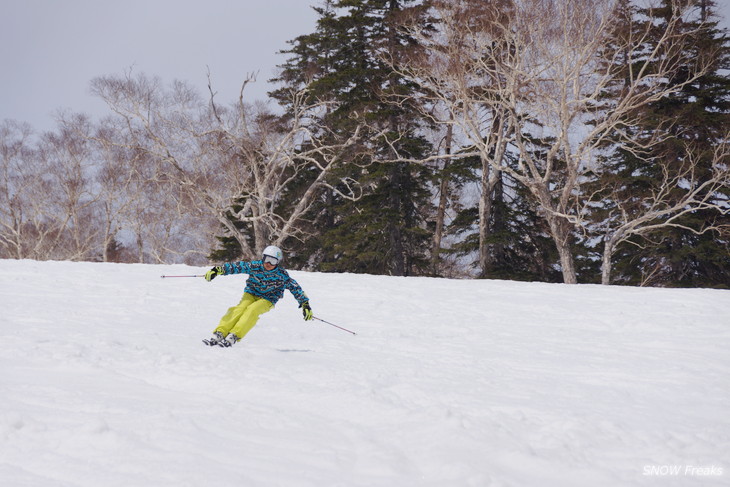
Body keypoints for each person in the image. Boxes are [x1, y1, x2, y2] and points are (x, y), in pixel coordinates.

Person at [202, 245, 313, 347]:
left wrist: (305, 304)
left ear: (277, 262)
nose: (268, 263)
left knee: (252, 310)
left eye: (272, 261)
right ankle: (220, 332)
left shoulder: (281, 275)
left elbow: (295, 288)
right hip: (251, 293)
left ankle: (234, 335)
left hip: (268, 299)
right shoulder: (255, 266)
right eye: (266, 259)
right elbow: (238, 266)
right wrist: (218, 270)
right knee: (239, 309)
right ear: (263, 258)